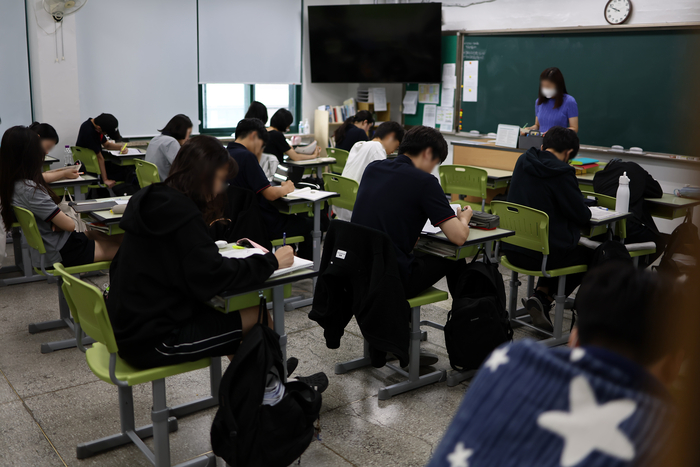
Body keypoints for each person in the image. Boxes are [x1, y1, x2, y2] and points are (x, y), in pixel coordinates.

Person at [427, 263, 681, 467]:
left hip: (524, 256)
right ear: (674, 365)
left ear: (574, 338)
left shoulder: (512, 361)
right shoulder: (671, 437)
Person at [105, 135, 296, 369]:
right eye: (221, 180)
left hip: (129, 326)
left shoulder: (153, 198)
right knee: (257, 314)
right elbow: (214, 276)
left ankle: (261, 383)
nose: (219, 191)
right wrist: (272, 261)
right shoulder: (183, 214)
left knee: (235, 315)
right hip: (155, 341)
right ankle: (275, 390)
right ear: (205, 176)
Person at [351, 126, 472, 299]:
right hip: (391, 277)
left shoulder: (373, 168)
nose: (432, 169)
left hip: (358, 269)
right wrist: (464, 219)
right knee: (455, 256)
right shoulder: (425, 182)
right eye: (435, 163)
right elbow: (459, 237)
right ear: (428, 153)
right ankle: (466, 317)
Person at [504, 126, 592, 331]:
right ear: (569, 153)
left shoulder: (523, 160)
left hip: (512, 249)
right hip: (541, 257)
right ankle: (547, 298)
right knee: (587, 254)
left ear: (543, 146)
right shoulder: (563, 172)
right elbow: (581, 215)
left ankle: (541, 295)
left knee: (552, 240)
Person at [0, 126, 121, 269]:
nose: (44, 152)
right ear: (28, 154)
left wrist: (55, 218)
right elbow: (70, 225)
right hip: (62, 250)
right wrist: (60, 218)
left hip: (57, 243)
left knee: (122, 238)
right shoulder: (30, 189)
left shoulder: (12, 181)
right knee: (129, 250)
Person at [227, 118, 313, 260]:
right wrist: (286, 188)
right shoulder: (247, 156)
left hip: (236, 222)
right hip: (260, 223)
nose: (260, 150)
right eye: (261, 145)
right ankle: (306, 269)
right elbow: (270, 194)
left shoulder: (226, 153)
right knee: (308, 224)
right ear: (254, 136)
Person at [593, 159, 665, 267]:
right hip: (628, 229)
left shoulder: (599, 176)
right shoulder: (635, 170)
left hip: (603, 230)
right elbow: (657, 191)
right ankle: (634, 273)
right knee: (660, 241)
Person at [334, 121, 404, 221]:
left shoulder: (359, 145)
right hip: (357, 211)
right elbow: (384, 183)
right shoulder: (377, 148)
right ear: (391, 136)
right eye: (396, 146)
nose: (393, 151)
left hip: (342, 207)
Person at [75, 113, 130, 189]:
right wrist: (105, 180)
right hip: (94, 173)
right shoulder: (90, 132)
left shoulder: (93, 125)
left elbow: (107, 145)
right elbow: (99, 158)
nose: (106, 135)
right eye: (106, 133)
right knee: (128, 171)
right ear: (99, 128)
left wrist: (120, 147)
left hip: (91, 169)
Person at [521, 67, 579, 135]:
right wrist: (529, 129)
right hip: (540, 143)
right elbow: (537, 126)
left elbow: (574, 128)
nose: (545, 89)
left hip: (558, 143)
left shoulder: (569, 101)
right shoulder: (539, 102)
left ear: (558, 86)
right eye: (543, 86)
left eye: (548, 86)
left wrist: (554, 133)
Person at [145, 114, 193, 181]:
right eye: (189, 133)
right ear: (182, 131)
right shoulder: (171, 142)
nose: (188, 138)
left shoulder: (155, 139)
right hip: (165, 185)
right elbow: (182, 167)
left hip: (151, 185)